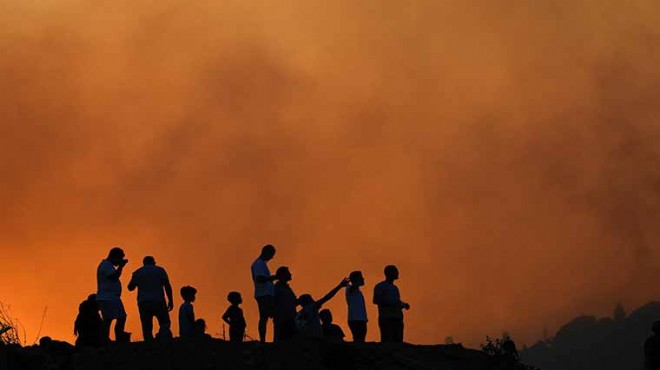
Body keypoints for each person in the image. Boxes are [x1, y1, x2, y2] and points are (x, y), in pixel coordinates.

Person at [127, 256, 174, 341]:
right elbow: (167, 286)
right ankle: (162, 338)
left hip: (143, 302)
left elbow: (130, 287)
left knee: (147, 326)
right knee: (165, 323)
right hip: (158, 300)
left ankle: (149, 344)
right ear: (154, 262)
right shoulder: (160, 270)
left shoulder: (138, 272)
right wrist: (170, 300)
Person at [96, 247, 130, 343]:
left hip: (112, 297)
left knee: (121, 317)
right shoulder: (106, 265)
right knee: (108, 320)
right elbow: (114, 276)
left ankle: (117, 338)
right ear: (114, 256)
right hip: (107, 297)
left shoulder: (108, 265)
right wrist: (121, 267)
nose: (119, 262)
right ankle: (105, 340)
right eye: (119, 259)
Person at [373, 265, 409, 343]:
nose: (397, 273)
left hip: (397, 319)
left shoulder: (395, 288)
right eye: (395, 271)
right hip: (386, 318)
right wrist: (390, 303)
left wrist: (403, 305)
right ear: (389, 273)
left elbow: (397, 302)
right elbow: (376, 300)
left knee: (398, 342)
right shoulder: (380, 286)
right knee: (387, 342)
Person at [251, 244, 277, 343]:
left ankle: (266, 340)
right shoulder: (258, 264)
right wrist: (273, 277)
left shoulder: (262, 264)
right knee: (264, 317)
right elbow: (259, 279)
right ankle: (263, 340)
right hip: (263, 294)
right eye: (271, 254)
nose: (272, 257)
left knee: (267, 316)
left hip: (267, 294)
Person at [272, 266, 297, 342]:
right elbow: (273, 301)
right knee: (279, 339)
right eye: (288, 273)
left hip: (290, 318)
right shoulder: (277, 288)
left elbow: (293, 302)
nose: (290, 274)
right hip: (281, 319)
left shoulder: (287, 288)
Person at [345, 271, 368, 342]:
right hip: (355, 319)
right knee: (358, 340)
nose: (363, 279)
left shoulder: (358, 291)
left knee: (361, 339)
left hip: (361, 319)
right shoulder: (349, 289)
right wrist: (352, 280)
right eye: (361, 277)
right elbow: (353, 286)